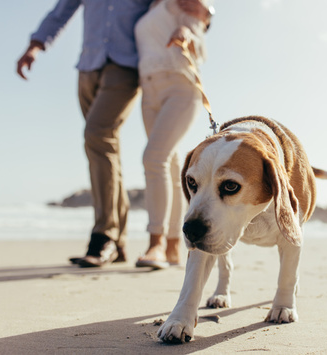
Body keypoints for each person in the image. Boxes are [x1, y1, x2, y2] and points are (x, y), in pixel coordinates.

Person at [16, 0, 212, 268]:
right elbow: (62, 11)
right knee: (108, 150)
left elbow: (196, 14)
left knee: (101, 136)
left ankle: (108, 237)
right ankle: (126, 242)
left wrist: (199, 22)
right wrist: (35, 46)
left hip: (128, 68)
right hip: (91, 64)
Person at [133, 0, 213, 269]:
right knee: (170, 164)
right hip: (149, 90)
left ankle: (155, 243)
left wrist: (187, 34)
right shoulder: (148, 7)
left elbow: (198, 34)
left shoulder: (186, 3)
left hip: (180, 86)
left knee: (153, 158)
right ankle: (172, 247)